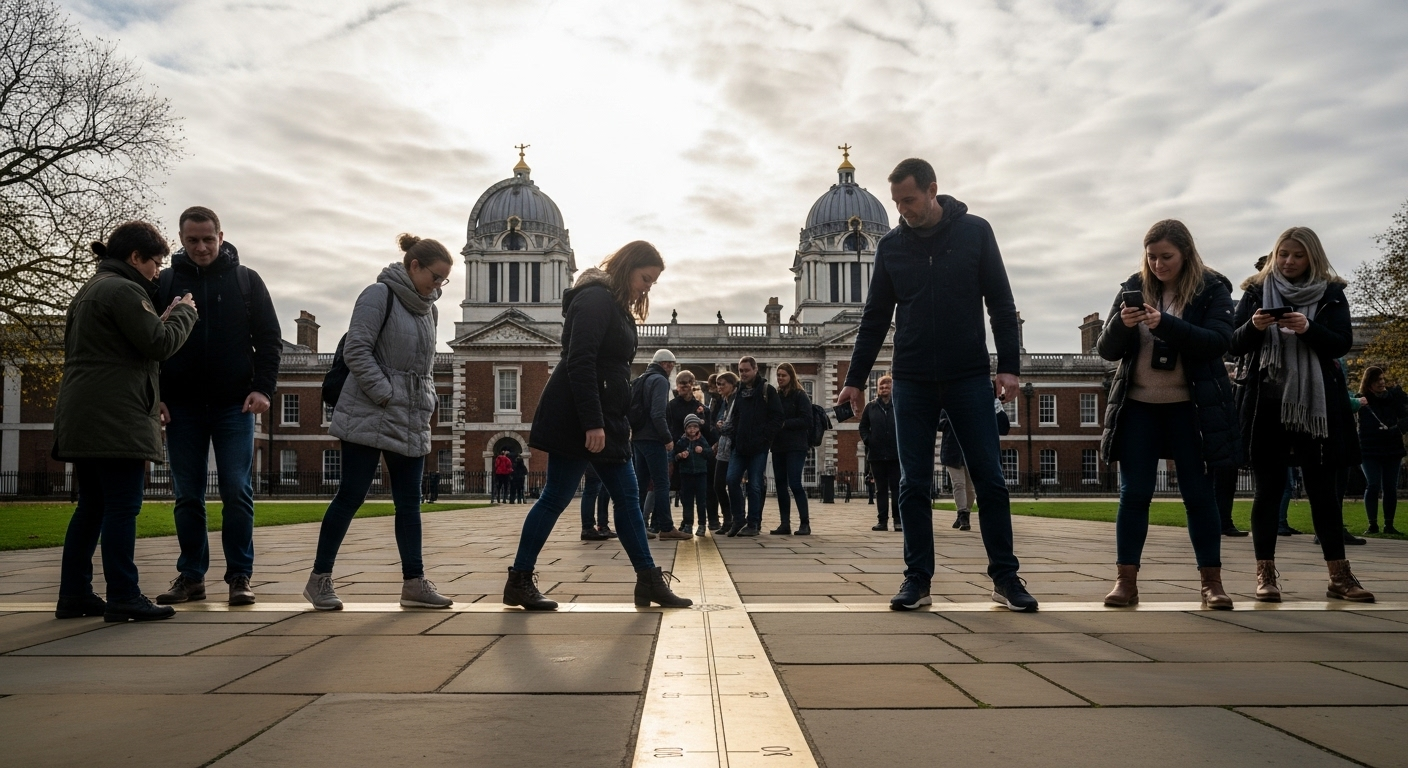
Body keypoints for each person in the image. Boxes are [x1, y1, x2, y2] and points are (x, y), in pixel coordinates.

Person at [838, 157, 1036, 612]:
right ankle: (917, 580)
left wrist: (1008, 367)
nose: (902, 209)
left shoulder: (976, 232)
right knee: (913, 483)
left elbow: (1001, 303)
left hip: (968, 375)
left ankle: (1005, 578)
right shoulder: (890, 247)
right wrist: (854, 380)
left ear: (932, 190)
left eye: (908, 199)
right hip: (912, 378)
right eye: (896, 203)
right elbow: (873, 320)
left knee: (990, 479)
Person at [503, 241, 690, 610]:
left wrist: (613, 418)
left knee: (628, 501)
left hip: (608, 418)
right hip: (581, 419)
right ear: (628, 267)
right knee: (556, 497)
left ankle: (648, 581)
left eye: (652, 282)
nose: (647, 287)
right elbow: (580, 362)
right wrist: (593, 422)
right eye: (645, 278)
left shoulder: (615, 306)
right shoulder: (594, 299)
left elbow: (611, 370)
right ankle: (519, 580)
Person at [54, 223, 198, 621]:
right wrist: (183, 315)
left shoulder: (92, 290)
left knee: (91, 507)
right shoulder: (124, 290)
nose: (158, 271)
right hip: (115, 416)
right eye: (156, 262)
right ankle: (123, 595)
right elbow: (159, 344)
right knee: (122, 507)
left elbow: (129, 343)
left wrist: (161, 317)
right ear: (136, 257)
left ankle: (75, 594)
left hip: (83, 413)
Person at [302, 234, 455, 611]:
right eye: (435, 277)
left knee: (409, 503)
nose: (438, 287)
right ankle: (319, 580)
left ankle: (414, 583)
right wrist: (385, 392)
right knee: (351, 495)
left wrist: (427, 397)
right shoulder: (378, 295)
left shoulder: (429, 309)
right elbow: (357, 349)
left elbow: (425, 366)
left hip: (412, 413)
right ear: (414, 266)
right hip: (370, 409)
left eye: (444, 281)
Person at [1095, 219, 1241, 609]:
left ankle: (1212, 583)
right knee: (1134, 494)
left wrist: (1169, 324)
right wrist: (1122, 326)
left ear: (1186, 254)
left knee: (1198, 496)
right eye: (1151, 257)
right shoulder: (1133, 286)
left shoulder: (1212, 288)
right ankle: (1126, 581)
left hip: (1190, 408)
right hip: (1139, 406)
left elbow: (1220, 342)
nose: (1158, 264)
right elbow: (1106, 350)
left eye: (1166, 257)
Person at [1229, 226, 1373, 602]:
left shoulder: (1331, 293)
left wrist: (1309, 328)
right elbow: (1231, 342)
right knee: (1268, 491)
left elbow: (1341, 342)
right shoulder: (1255, 291)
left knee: (1324, 492)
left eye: (1297, 255)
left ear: (1312, 257)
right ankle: (1266, 576)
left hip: (1317, 406)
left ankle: (1339, 576)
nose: (1288, 261)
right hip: (1266, 403)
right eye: (1283, 254)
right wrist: (1255, 326)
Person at [154, 207, 282, 608]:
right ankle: (192, 576)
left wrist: (263, 389)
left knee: (236, 491)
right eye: (192, 240)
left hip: (234, 406)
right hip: (182, 407)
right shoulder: (166, 281)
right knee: (187, 495)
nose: (202, 247)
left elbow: (270, 340)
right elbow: (147, 343)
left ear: (221, 236)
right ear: (181, 239)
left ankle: (239, 576)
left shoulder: (246, 280)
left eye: (209, 239)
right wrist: (154, 394)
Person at [632, 349, 690, 539]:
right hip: (653, 438)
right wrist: (667, 438)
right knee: (662, 483)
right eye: (671, 366)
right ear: (666, 364)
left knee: (640, 483)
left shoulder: (641, 379)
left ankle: (637, 525)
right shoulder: (660, 380)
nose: (671, 369)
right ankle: (666, 527)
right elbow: (658, 414)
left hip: (638, 437)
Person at [723, 356, 783, 537]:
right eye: (740, 370)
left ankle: (753, 523)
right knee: (731, 480)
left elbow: (778, 417)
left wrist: (765, 438)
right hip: (739, 446)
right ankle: (738, 518)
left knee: (755, 485)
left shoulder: (768, 390)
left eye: (746, 370)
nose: (743, 374)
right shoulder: (738, 392)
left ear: (755, 370)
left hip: (759, 447)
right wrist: (733, 435)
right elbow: (734, 417)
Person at [939, 397, 1012, 532]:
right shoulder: (948, 404)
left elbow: (1003, 427)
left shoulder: (977, 404)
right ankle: (963, 514)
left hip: (971, 450)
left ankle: (964, 513)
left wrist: (996, 404)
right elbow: (939, 423)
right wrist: (949, 421)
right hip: (952, 450)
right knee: (958, 484)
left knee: (970, 487)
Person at [1357, 366, 1407, 534]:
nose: (1381, 382)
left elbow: (1405, 416)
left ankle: (1389, 524)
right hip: (1369, 448)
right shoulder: (1362, 400)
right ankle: (1372, 524)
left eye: (1382, 379)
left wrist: (1398, 428)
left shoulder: (1394, 397)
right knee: (1373, 484)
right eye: (1377, 380)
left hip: (1392, 447)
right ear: (1369, 383)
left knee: (1390, 487)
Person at [770, 362, 814, 535]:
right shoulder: (776, 395)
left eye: (783, 375)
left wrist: (784, 424)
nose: (780, 378)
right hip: (779, 446)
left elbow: (807, 420)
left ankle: (805, 523)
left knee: (795, 483)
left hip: (796, 445)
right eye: (778, 375)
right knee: (780, 484)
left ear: (791, 376)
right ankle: (784, 523)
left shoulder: (800, 395)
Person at [860, 376, 900, 531]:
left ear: (892, 387)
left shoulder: (898, 404)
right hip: (876, 455)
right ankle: (882, 521)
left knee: (897, 489)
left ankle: (898, 520)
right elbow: (863, 426)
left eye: (887, 386)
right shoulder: (870, 407)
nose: (884, 388)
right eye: (881, 386)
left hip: (896, 454)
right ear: (877, 388)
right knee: (880, 490)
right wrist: (868, 440)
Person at [675, 414, 714, 536]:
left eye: (695, 427)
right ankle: (688, 524)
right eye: (689, 427)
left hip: (700, 474)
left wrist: (702, 451)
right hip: (686, 474)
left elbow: (710, 453)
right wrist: (681, 456)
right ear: (685, 429)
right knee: (687, 501)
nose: (692, 430)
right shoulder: (682, 441)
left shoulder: (702, 440)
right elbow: (675, 455)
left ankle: (702, 524)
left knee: (701, 500)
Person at [710, 372, 738, 531]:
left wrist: (723, 426)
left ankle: (736, 519)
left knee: (732, 484)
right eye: (718, 384)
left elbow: (735, 423)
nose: (719, 387)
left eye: (723, 384)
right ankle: (728, 519)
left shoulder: (736, 401)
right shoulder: (724, 401)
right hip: (722, 446)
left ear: (732, 385)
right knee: (718, 484)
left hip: (734, 447)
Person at [580, 465, 615, 540]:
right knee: (592, 487)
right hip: (594, 457)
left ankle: (602, 525)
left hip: (602, 458)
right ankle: (587, 528)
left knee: (604, 487)